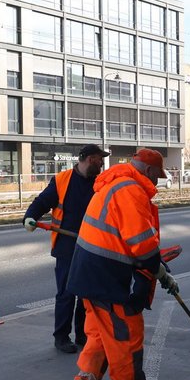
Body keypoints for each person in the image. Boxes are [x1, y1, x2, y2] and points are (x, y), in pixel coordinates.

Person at [66, 148, 177, 380]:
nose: (156, 183)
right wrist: (158, 269)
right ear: (148, 171)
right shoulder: (131, 190)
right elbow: (139, 243)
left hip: (89, 272)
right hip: (107, 275)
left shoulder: (114, 185)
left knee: (102, 334)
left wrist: (157, 266)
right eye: (157, 177)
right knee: (125, 334)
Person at [23, 143, 110, 354]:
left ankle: (82, 334)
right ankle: (61, 337)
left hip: (92, 245)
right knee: (66, 293)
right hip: (67, 245)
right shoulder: (62, 180)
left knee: (86, 294)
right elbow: (43, 201)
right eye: (100, 158)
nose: (102, 163)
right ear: (90, 159)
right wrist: (30, 217)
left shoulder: (100, 182)